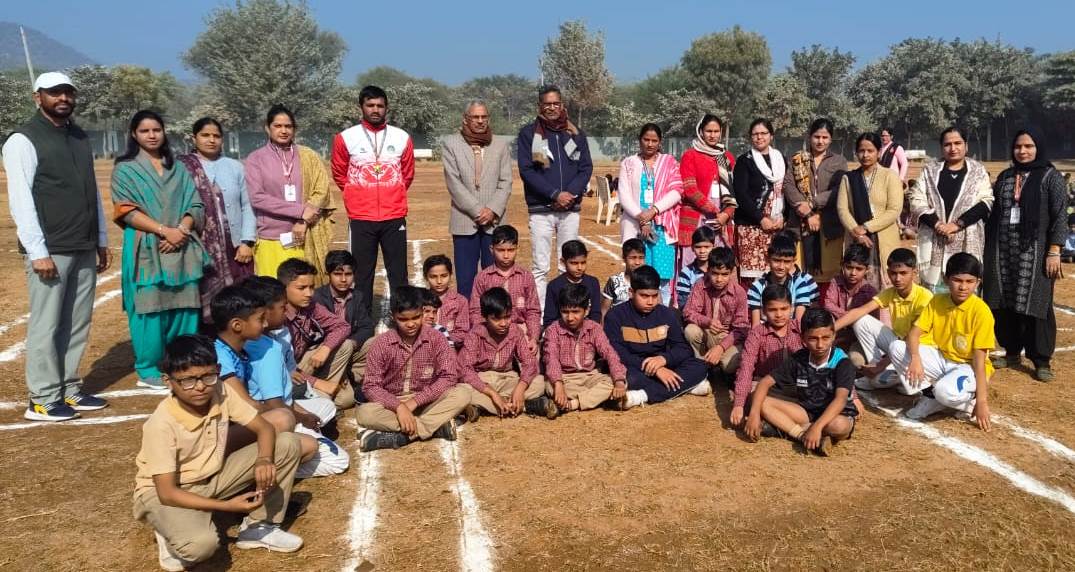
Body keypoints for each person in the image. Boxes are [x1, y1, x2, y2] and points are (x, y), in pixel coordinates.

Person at [133, 335, 303, 570]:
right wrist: (228, 507)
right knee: (201, 546)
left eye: (208, 376)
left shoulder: (220, 390)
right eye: (187, 380)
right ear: (168, 381)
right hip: (167, 491)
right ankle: (169, 531)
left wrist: (264, 459)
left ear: (218, 371)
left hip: (212, 476)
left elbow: (264, 427)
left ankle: (259, 526)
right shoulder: (161, 424)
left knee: (286, 443)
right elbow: (167, 493)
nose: (200, 386)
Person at [3, 71, 111, 421]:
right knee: (47, 324)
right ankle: (42, 397)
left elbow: (90, 190)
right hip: (51, 248)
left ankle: (68, 387)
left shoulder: (78, 136)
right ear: (38, 97)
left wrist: (101, 239)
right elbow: (21, 200)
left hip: (83, 243)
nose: (63, 98)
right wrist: (38, 252)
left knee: (77, 322)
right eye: (54, 93)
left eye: (67, 92)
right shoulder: (23, 139)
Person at [211, 284, 348, 481]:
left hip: (236, 425)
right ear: (237, 325)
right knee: (285, 420)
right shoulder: (222, 356)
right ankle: (248, 474)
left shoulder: (239, 350)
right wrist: (296, 417)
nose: (265, 324)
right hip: (218, 435)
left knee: (312, 421)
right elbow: (249, 405)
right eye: (260, 319)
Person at [111, 110, 206, 391]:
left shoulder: (178, 168)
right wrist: (165, 231)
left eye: (156, 130)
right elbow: (126, 210)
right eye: (145, 131)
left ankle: (180, 364)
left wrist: (182, 230)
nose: (152, 135)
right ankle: (148, 368)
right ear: (134, 134)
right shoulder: (125, 169)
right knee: (149, 309)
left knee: (184, 307)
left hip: (182, 246)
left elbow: (195, 204)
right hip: (147, 247)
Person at [983, 127, 1068, 382]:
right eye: (1018, 146)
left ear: (1038, 148)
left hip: (1036, 252)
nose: (1022, 151)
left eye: (1028, 146)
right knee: (1003, 301)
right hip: (1002, 251)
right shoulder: (1006, 176)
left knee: (1036, 304)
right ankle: (1011, 351)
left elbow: (1060, 216)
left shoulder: (1051, 177)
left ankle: (1041, 360)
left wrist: (1054, 251)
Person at [331, 85, 415, 318]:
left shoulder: (401, 137)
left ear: (386, 108)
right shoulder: (345, 138)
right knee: (362, 274)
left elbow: (407, 174)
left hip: (394, 215)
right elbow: (339, 173)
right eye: (370, 105)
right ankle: (363, 320)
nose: (375, 110)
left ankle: (402, 317)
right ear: (362, 107)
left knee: (398, 273)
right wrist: (358, 194)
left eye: (380, 105)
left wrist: (391, 193)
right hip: (361, 217)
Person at [356, 286, 472, 451]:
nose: (410, 324)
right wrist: (399, 406)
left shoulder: (436, 338)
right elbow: (370, 386)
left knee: (463, 393)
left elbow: (448, 377)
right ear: (393, 317)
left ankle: (403, 436)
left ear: (422, 312)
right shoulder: (381, 343)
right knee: (365, 413)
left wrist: (415, 402)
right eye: (403, 319)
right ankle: (435, 427)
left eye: (416, 317)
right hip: (392, 405)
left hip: (427, 400)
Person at [890, 253, 994, 431]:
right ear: (946, 279)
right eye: (957, 280)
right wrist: (915, 358)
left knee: (944, 392)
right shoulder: (937, 301)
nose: (963, 287)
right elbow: (913, 334)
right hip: (942, 358)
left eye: (969, 281)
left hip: (968, 367)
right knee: (897, 347)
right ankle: (930, 395)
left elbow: (979, 360)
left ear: (978, 282)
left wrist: (982, 401)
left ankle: (968, 402)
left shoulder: (981, 312)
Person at [517, 85, 593, 306]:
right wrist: (554, 194)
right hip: (541, 210)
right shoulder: (529, 134)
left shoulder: (575, 133)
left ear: (562, 105)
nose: (551, 108)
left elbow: (585, 168)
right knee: (541, 267)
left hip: (570, 209)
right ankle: (540, 315)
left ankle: (566, 309)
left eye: (555, 103)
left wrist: (570, 194)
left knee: (567, 265)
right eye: (547, 104)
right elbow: (527, 171)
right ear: (539, 106)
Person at [744, 307, 857, 457]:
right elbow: (764, 383)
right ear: (803, 338)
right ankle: (801, 435)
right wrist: (754, 414)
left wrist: (817, 426)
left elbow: (840, 400)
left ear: (834, 335)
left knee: (838, 426)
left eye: (825, 338)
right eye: (813, 339)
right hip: (806, 413)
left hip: (836, 415)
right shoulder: (799, 358)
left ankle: (784, 429)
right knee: (759, 401)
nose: (820, 345)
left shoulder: (842, 362)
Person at [178, 117, 255, 324]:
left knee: (238, 299)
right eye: (205, 135)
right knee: (201, 300)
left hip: (234, 247)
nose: (211, 140)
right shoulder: (182, 167)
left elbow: (247, 205)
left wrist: (247, 242)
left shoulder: (235, 166)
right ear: (194, 138)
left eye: (216, 136)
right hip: (198, 247)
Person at [246, 105, 335, 282]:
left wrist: (303, 221)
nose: (284, 131)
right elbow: (257, 197)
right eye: (278, 126)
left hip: (306, 237)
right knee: (273, 291)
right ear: (267, 128)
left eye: (288, 126)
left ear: (294, 129)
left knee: (305, 290)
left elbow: (321, 189)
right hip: (271, 238)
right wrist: (300, 211)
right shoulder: (256, 159)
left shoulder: (308, 156)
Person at [603, 265, 709, 410]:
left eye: (654, 296)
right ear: (631, 292)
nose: (650, 302)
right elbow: (617, 353)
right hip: (635, 367)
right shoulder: (615, 316)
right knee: (630, 378)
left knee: (700, 367)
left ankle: (641, 396)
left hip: (663, 364)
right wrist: (654, 370)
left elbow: (684, 349)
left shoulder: (667, 314)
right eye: (644, 296)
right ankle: (687, 386)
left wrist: (664, 360)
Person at [442, 100, 513, 298]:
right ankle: (466, 316)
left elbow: (506, 181)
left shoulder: (500, 144)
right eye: (475, 117)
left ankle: (493, 314)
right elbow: (453, 183)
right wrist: (477, 210)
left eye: (484, 117)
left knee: (495, 278)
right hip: (465, 221)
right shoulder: (451, 144)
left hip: (495, 221)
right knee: (466, 280)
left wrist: (492, 210)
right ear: (465, 119)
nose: (480, 121)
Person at [834, 248, 932, 391]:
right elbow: (859, 311)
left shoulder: (925, 297)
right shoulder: (891, 293)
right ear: (888, 272)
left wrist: (882, 365)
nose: (897, 278)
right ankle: (877, 368)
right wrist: (830, 331)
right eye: (893, 273)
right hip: (897, 344)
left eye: (903, 273)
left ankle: (899, 375)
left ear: (914, 272)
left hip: (918, 349)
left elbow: (912, 337)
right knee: (861, 320)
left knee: (879, 380)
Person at [910, 127, 993, 290]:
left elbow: (986, 202)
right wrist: (938, 225)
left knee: (963, 288)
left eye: (958, 143)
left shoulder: (978, 171)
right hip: (934, 238)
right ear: (942, 147)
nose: (953, 148)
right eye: (948, 144)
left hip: (967, 240)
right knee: (933, 293)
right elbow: (916, 199)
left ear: (966, 146)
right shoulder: (930, 171)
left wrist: (956, 225)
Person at [459, 287, 557, 418]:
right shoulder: (475, 334)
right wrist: (492, 393)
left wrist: (520, 388)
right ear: (485, 317)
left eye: (507, 317)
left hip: (507, 379)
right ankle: (525, 406)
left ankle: (490, 406)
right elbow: (466, 370)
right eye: (496, 319)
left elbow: (530, 363)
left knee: (539, 383)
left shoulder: (515, 331)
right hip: (483, 380)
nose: (503, 323)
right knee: (462, 390)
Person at [617, 123, 683, 304]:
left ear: (660, 142)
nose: (650, 144)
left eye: (654, 140)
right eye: (646, 139)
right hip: (635, 224)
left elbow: (677, 191)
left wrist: (654, 210)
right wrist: (642, 218)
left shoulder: (669, 162)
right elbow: (624, 194)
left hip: (662, 227)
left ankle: (662, 312)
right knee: (636, 273)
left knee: (662, 276)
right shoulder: (629, 163)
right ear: (640, 140)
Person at [277, 259, 356, 409]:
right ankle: (322, 392)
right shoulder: (277, 317)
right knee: (334, 401)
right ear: (283, 288)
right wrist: (318, 383)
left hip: (302, 363)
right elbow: (281, 368)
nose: (309, 293)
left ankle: (326, 389)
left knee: (345, 345)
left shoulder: (310, 306)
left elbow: (342, 326)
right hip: (287, 372)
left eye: (312, 287)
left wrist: (325, 349)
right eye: (301, 288)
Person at [544, 283, 628, 413]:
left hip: (590, 376)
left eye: (575, 312)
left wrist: (619, 381)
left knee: (616, 382)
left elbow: (609, 353)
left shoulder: (594, 328)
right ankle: (594, 398)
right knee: (550, 386)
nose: (570, 318)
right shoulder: (553, 330)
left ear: (586, 311)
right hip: (565, 378)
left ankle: (572, 404)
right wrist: (558, 384)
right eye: (565, 312)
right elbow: (551, 359)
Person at [783, 118, 849, 283]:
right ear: (809, 137)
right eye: (817, 137)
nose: (820, 141)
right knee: (799, 271)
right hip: (800, 221)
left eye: (825, 137)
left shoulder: (839, 161)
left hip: (828, 223)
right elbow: (788, 185)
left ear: (831, 139)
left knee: (828, 274)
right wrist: (806, 212)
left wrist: (814, 205)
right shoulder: (797, 159)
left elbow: (838, 189)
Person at [731, 284, 804, 428]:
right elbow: (746, 367)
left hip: (798, 386)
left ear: (792, 308)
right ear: (763, 311)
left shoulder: (801, 328)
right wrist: (738, 404)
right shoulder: (757, 333)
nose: (779, 315)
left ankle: (772, 424)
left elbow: (824, 355)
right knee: (752, 396)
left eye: (784, 309)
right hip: (766, 386)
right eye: (772, 310)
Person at [837, 132, 903, 289]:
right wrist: (857, 232)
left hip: (883, 239)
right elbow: (842, 209)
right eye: (861, 151)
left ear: (879, 152)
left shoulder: (889, 176)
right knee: (856, 283)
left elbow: (894, 210)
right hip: (856, 239)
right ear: (856, 153)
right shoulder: (849, 178)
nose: (865, 155)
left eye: (870, 151)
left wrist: (866, 227)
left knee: (886, 285)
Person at [469, 225, 541, 355]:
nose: (506, 255)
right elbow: (475, 311)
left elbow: (533, 311)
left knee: (532, 361)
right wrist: (484, 334)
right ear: (492, 249)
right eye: (501, 250)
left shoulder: (526, 276)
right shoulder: (482, 277)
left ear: (517, 248)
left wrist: (533, 338)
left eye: (511, 250)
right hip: (491, 332)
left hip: (521, 330)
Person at [682, 247, 750, 379]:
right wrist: (707, 322)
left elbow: (741, 329)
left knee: (729, 364)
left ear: (731, 272)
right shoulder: (700, 284)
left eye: (724, 274)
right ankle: (702, 367)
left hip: (729, 338)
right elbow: (688, 312)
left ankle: (722, 371)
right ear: (708, 270)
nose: (719, 279)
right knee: (690, 330)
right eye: (714, 273)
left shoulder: (739, 293)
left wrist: (721, 347)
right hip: (707, 333)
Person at [734, 118, 786, 284]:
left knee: (776, 274)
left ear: (771, 135)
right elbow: (741, 194)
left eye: (763, 133)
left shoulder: (781, 159)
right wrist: (760, 218)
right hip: (751, 226)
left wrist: (784, 217)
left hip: (776, 226)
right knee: (753, 278)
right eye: (755, 134)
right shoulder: (745, 161)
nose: (759, 137)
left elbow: (787, 190)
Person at [677, 114, 737, 261]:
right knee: (693, 260)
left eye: (716, 131)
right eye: (709, 131)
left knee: (719, 263)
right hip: (697, 215)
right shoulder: (690, 155)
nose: (712, 135)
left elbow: (734, 192)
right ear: (701, 132)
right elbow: (690, 189)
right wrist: (716, 211)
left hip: (721, 220)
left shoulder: (727, 157)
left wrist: (726, 214)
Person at [312, 250, 375, 384]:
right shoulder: (316, 297)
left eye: (348, 274)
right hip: (324, 352)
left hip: (349, 349)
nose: (343, 280)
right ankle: (343, 377)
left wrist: (351, 343)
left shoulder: (357, 296)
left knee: (378, 342)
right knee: (346, 397)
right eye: (337, 274)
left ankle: (349, 374)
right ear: (328, 274)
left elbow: (367, 327)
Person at [821, 244, 879, 367]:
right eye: (849, 267)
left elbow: (868, 325)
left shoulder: (869, 291)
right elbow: (828, 304)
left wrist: (848, 321)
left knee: (855, 360)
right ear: (842, 266)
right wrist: (849, 316)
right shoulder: (836, 282)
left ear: (867, 270)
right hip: (836, 333)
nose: (853, 273)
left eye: (859, 269)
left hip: (858, 339)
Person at [746, 233, 818, 325]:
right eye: (776, 260)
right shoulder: (757, 287)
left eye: (787, 262)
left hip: (792, 330)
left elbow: (798, 323)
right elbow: (756, 326)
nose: (781, 267)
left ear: (793, 261)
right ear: (767, 259)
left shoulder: (800, 284)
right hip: (764, 331)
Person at [542, 239, 601, 327]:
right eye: (574, 263)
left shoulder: (593, 283)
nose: (579, 267)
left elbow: (596, 314)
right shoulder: (554, 286)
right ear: (563, 262)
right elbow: (549, 319)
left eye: (583, 262)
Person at [423, 254, 470, 348]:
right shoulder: (420, 299)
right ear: (426, 277)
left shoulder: (460, 301)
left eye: (444, 276)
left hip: (450, 349)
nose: (439, 281)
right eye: (433, 277)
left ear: (451, 275)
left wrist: (441, 339)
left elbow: (462, 333)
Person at [601, 238, 646, 318]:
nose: (637, 262)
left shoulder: (650, 280)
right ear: (624, 258)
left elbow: (660, 307)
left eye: (641, 257)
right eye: (633, 258)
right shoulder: (614, 281)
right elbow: (604, 311)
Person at [674, 225, 716, 309]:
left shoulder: (717, 270)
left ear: (713, 247)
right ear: (692, 248)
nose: (702, 251)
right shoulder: (686, 272)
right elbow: (682, 301)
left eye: (707, 247)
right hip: (693, 312)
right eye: (698, 247)